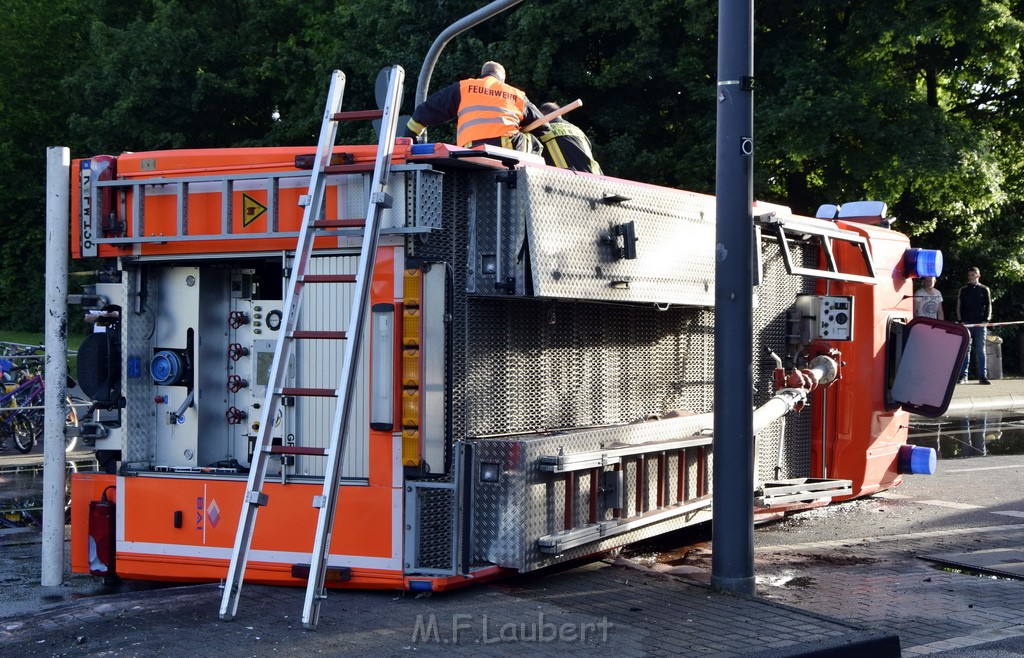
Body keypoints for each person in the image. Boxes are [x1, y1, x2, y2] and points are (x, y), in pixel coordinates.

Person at [401, 61, 549, 152]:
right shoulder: (516, 94)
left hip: (471, 151)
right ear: (503, 79)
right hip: (507, 150)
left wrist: (409, 145)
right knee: (535, 142)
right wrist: (519, 127)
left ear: (482, 74)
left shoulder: (464, 88)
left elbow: (422, 113)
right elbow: (544, 126)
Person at [537, 102, 603, 174]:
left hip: (566, 176)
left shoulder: (543, 131)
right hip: (594, 176)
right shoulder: (578, 130)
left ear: (542, 116)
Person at [956, 266, 992, 384]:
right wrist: (961, 320)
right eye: (969, 275)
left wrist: (986, 320)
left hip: (980, 324)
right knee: (966, 349)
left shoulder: (984, 289)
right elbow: (959, 306)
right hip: (967, 324)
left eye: (973, 275)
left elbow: (988, 306)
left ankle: (983, 376)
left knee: (981, 350)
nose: (971, 277)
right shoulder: (963, 290)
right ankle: (963, 376)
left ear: (978, 276)